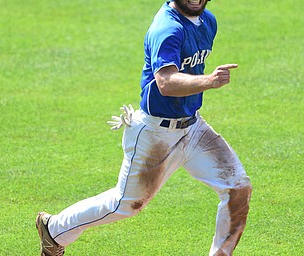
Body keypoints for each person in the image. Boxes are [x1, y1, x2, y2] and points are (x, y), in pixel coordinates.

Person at [36, 0, 252, 255]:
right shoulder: (167, 28)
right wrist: (210, 81)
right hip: (155, 133)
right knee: (125, 205)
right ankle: (54, 229)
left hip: (193, 128)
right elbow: (166, 83)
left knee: (237, 188)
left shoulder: (208, 22)